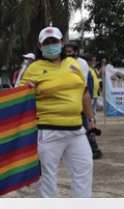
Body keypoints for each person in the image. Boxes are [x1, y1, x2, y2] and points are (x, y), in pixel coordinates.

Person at [21, 27, 96, 198]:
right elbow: (19, 98)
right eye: (46, 43)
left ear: (62, 42)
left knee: (84, 170)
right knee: (47, 178)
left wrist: (91, 118)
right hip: (48, 132)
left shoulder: (73, 64)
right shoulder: (34, 68)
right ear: (40, 46)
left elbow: (84, 93)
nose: (51, 45)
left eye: (54, 41)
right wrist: (27, 90)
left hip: (77, 130)